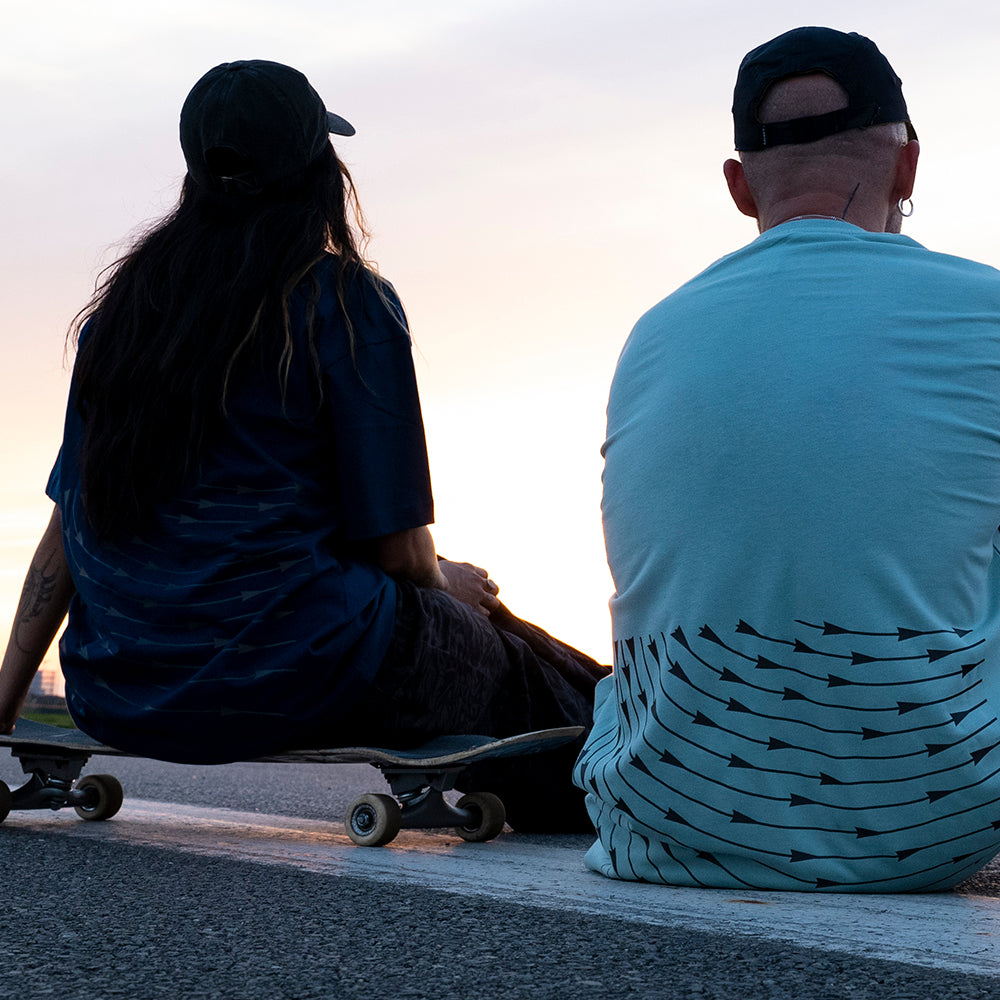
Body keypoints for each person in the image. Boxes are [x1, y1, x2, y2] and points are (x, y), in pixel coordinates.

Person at [0, 60, 607, 831]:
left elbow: (64, 535)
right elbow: (398, 552)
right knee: (511, 658)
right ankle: (654, 786)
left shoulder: (117, 325)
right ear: (318, 170)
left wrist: (5, 702)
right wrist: (445, 579)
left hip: (118, 687)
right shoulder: (346, 303)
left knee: (490, 628)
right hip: (300, 674)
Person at [574, 26, 1000, 889]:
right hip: (934, 828)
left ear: (738, 187)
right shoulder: (985, 311)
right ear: (908, 167)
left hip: (669, 817)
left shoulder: (653, 335)